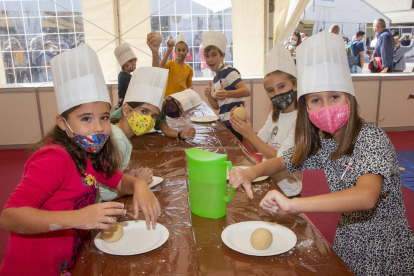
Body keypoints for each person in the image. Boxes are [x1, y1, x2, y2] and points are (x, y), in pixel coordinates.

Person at [229, 31, 414, 276]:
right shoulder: (325, 144)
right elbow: (283, 162)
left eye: (334, 97)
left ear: (349, 98)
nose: (326, 107)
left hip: (385, 253)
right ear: (306, 107)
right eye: (316, 100)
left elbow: (366, 195)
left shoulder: (371, 138)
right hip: (348, 244)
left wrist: (295, 205)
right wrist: (250, 172)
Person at [0, 44, 160, 275]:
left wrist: (139, 184)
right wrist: (77, 218)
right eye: (86, 118)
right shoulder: (54, 159)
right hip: (34, 267)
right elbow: (9, 217)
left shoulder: (92, 154)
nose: (98, 127)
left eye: (104, 117)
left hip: (68, 260)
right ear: (63, 123)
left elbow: (118, 181)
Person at [230, 43, 302, 199]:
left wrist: (251, 135)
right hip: (269, 181)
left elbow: (280, 159)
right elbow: (255, 144)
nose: (277, 93)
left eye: (282, 86)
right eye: (271, 90)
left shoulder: (300, 121)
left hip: (289, 191)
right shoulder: (275, 116)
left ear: (295, 85)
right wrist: (245, 128)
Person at [100, 67, 169, 202]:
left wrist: (127, 175)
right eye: (144, 112)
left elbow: (113, 174)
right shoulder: (118, 141)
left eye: (153, 116)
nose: (149, 119)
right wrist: (137, 182)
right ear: (126, 110)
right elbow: (105, 194)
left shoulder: (119, 135)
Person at [202, 30, 251, 142]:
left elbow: (246, 91)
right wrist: (209, 96)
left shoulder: (229, 72)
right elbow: (217, 106)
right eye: (207, 56)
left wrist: (227, 93)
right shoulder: (216, 78)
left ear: (222, 55)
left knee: (234, 153)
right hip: (225, 122)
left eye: (214, 55)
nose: (210, 59)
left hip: (235, 123)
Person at [148, 32, 193, 98]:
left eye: (183, 50)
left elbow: (189, 86)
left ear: (187, 51)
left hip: (180, 101)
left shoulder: (189, 69)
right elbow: (158, 68)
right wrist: (168, 51)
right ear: (175, 51)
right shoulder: (170, 64)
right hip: (168, 100)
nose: (181, 52)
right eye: (179, 50)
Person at [114, 43, 137, 109]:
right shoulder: (126, 77)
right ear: (123, 63)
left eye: (135, 60)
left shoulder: (122, 75)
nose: (133, 63)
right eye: (130, 61)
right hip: (126, 107)